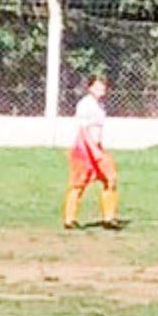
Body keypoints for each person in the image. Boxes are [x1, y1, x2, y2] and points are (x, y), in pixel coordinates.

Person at [63, 76, 120, 230]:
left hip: (96, 148)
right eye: (97, 87)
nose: (101, 90)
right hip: (83, 150)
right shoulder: (85, 104)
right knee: (79, 184)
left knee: (110, 178)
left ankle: (109, 217)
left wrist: (99, 147)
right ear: (89, 88)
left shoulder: (100, 105)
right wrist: (94, 151)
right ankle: (69, 219)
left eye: (103, 87)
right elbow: (83, 131)